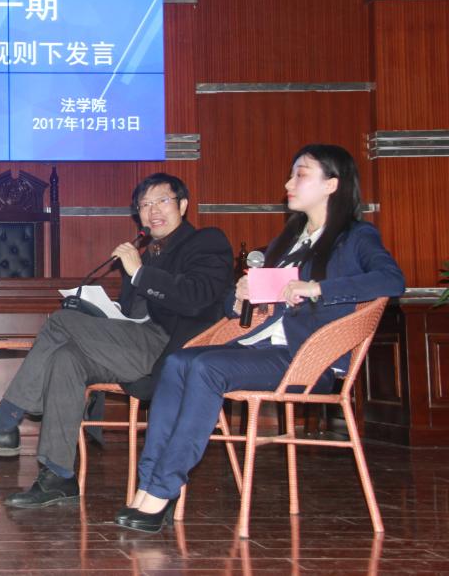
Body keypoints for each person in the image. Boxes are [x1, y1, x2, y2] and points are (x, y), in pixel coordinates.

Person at [117, 144, 406, 533]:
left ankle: (163, 489)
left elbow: (391, 280)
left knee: (204, 367)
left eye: (300, 175)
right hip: (261, 348)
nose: (288, 183)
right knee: (178, 360)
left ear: (332, 184)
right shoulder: (289, 241)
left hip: (306, 358)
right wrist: (238, 299)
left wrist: (317, 288)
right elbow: (243, 307)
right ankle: (149, 482)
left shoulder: (356, 236)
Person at [0, 173, 234, 508]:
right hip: (136, 343)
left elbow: (196, 299)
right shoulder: (143, 254)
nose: (153, 211)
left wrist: (140, 273)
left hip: (173, 349)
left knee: (60, 322)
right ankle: (58, 474)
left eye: (162, 201)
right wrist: (105, 309)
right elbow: (132, 314)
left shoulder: (205, 242)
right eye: (144, 205)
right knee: (65, 357)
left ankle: (6, 418)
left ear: (183, 205)